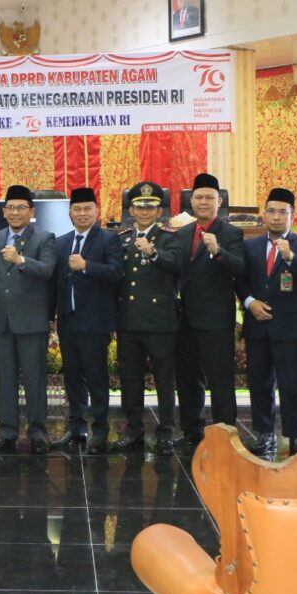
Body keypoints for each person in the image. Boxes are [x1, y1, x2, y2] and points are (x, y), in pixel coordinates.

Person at [238, 188, 297, 460]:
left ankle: (296, 436)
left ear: (292, 216)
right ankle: (264, 434)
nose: (276, 217)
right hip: (258, 325)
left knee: (292, 384)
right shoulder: (250, 246)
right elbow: (240, 280)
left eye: (283, 212)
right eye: (271, 211)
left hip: (289, 327)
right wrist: (250, 302)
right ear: (264, 215)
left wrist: (291, 257)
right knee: (259, 383)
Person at [173, 172, 244, 449]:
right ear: (191, 201)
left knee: (220, 378)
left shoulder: (231, 233)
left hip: (215, 320)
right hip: (185, 319)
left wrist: (218, 251)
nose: (203, 202)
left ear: (219, 201)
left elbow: (239, 267)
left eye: (209, 198)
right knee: (188, 377)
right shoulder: (182, 233)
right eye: (199, 197)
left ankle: (225, 434)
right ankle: (191, 430)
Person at [0, 185, 57, 454]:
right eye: (11, 208)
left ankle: (38, 433)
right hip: (2, 323)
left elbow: (48, 270)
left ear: (32, 211)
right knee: (4, 380)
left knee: (34, 380)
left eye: (21, 208)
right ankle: (7, 432)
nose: (16, 213)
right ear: (4, 212)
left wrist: (20, 259)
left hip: (31, 323)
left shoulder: (44, 238)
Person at [52, 187, 123, 454]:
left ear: (96, 211)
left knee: (96, 378)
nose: (82, 213)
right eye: (77, 209)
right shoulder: (61, 242)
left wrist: (86, 266)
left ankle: (100, 432)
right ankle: (76, 427)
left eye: (87, 209)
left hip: (95, 323)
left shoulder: (108, 239)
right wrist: (52, 316)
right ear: (70, 212)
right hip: (68, 321)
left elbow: (116, 273)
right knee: (72, 377)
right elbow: (55, 284)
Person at [115, 181, 182, 456]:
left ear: (159, 211)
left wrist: (153, 252)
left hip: (160, 322)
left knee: (164, 380)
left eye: (150, 207)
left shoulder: (169, 237)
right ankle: (133, 430)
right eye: (139, 207)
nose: (144, 212)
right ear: (131, 210)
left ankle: (166, 431)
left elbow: (176, 264)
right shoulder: (122, 238)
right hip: (129, 321)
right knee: (130, 379)